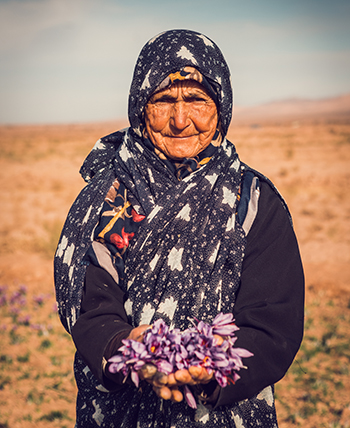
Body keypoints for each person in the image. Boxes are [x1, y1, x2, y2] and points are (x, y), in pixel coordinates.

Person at [54, 29, 304, 428]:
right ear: (140, 106)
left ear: (221, 107)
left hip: (225, 412)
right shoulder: (109, 198)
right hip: (120, 410)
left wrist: (212, 370)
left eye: (197, 101)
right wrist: (127, 348)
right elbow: (90, 303)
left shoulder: (252, 200)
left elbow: (274, 322)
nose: (180, 120)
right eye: (164, 100)